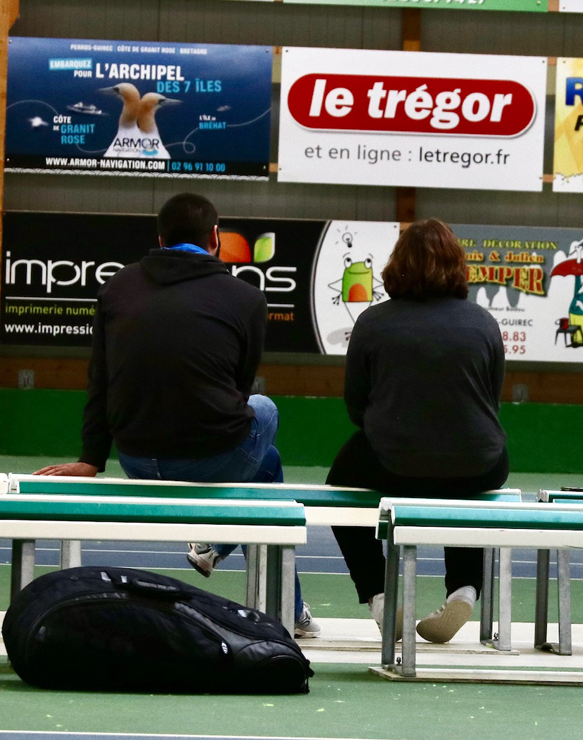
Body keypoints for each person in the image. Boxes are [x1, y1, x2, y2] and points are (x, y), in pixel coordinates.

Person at [34, 191, 317, 637]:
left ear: (161, 238)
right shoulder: (247, 298)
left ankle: (292, 608)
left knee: (269, 466)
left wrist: (91, 459)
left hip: (135, 459)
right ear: (216, 237)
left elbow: (100, 379)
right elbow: (240, 391)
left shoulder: (116, 286)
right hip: (208, 460)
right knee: (264, 409)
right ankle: (222, 550)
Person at [328, 219, 508, 644]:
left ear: (398, 264)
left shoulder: (372, 322)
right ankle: (464, 589)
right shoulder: (483, 322)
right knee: (467, 491)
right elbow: (491, 399)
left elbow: (355, 404)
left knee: (339, 489)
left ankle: (379, 595)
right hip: (480, 464)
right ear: (457, 264)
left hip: (394, 464)